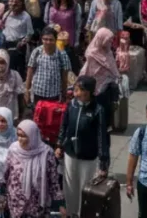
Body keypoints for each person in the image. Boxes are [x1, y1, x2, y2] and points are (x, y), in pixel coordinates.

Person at [56, 76, 110, 218]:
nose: (77, 93)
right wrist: (59, 145)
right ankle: (71, 213)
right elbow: (64, 126)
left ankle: (83, 214)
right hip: (70, 154)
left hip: (88, 157)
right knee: (70, 187)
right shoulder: (71, 106)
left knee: (85, 188)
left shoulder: (98, 110)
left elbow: (101, 137)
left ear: (90, 92)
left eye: (81, 91)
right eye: (76, 90)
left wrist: (103, 163)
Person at [1, 120, 66, 218]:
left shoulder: (46, 153)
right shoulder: (13, 150)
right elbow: (5, 174)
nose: (20, 139)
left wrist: (60, 204)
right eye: (18, 135)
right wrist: (2, 194)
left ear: (32, 136)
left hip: (37, 205)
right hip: (16, 202)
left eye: (24, 136)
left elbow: (53, 181)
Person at [79, 28, 120, 121]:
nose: (110, 42)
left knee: (105, 114)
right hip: (94, 89)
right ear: (102, 39)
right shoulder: (92, 54)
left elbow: (113, 69)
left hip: (107, 90)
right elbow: (87, 71)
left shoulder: (108, 52)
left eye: (111, 40)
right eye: (108, 40)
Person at [25, 28, 71, 106]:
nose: (48, 42)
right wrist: (27, 90)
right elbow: (30, 72)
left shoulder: (62, 55)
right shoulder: (36, 52)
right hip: (38, 92)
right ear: (41, 39)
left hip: (54, 94)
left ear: (55, 40)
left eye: (51, 40)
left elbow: (64, 76)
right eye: (45, 39)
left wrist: (64, 93)